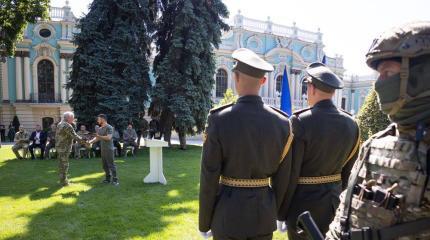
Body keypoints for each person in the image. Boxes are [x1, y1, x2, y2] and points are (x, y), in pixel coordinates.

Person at [326, 22, 430, 240]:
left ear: (421, 75)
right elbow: (344, 214)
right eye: (379, 74)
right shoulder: (375, 144)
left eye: (388, 72)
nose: (378, 85)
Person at [199, 48, 293, 240]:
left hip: (227, 215)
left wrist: (204, 221)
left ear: (235, 77)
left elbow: (209, 176)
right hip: (263, 215)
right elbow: (283, 180)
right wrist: (276, 213)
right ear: (264, 81)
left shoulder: (219, 119)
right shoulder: (283, 123)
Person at [276, 63, 360, 239]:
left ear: (311, 88)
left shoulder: (300, 121)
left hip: (302, 206)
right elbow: (349, 173)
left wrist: (281, 211)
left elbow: (290, 173)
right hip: (334, 204)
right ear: (333, 92)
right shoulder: (352, 124)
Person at [55, 112, 84, 186]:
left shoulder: (60, 123)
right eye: (72, 118)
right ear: (68, 118)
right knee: (65, 165)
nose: (73, 119)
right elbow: (75, 136)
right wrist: (85, 142)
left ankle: (63, 180)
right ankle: (64, 182)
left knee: (61, 164)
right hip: (64, 147)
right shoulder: (67, 125)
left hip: (59, 147)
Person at [89, 114, 119, 186]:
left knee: (111, 164)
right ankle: (108, 179)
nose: (97, 120)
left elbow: (109, 138)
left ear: (103, 119)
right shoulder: (100, 128)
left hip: (109, 149)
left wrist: (98, 136)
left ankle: (115, 180)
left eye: (98, 119)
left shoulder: (109, 127)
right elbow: (97, 138)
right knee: (104, 165)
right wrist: (89, 142)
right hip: (103, 149)